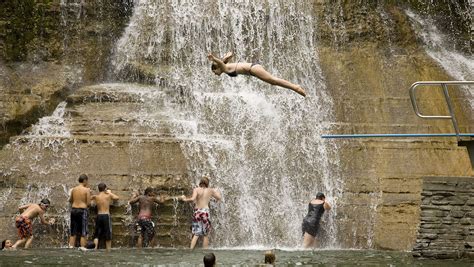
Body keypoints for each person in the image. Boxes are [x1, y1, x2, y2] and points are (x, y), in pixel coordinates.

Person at [208, 52, 306, 97]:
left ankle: (295, 87)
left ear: (218, 68)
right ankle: (294, 87)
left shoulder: (224, 68)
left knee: (273, 81)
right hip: (253, 69)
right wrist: (223, 58)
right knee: (273, 81)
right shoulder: (226, 65)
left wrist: (214, 58)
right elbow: (229, 54)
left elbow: (221, 63)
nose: (215, 74)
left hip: (253, 69)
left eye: (214, 72)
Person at [180, 176, 222, 249]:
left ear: (200, 182)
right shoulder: (210, 190)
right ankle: (205, 251)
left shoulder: (196, 189)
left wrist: (184, 199)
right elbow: (219, 198)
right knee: (205, 234)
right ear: (207, 183)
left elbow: (193, 199)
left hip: (197, 212)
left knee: (196, 234)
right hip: (205, 212)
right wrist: (217, 191)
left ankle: (191, 249)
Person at [92, 183, 119, 251]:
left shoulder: (96, 196)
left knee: (96, 235)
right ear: (105, 188)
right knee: (108, 235)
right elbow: (117, 198)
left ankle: (95, 249)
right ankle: (108, 250)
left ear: (98, 189)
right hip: (106, 216)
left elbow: (90, 199)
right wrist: (109, 192)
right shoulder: (108, 195)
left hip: (99, 215)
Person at [68, 174, 91, 248]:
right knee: (83, 232)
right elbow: (88, 203)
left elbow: (70, 200)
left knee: (73, 232)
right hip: (82, 211)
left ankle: (71, 247)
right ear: (84, 180)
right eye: (87, 181)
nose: (87, 183)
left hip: (73, 210)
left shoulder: (74, 189)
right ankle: (83, 248)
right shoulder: (86, 190)